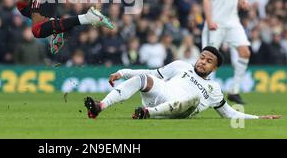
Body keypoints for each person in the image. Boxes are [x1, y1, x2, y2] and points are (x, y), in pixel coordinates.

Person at [84, 46, 281, 120]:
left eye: (208, 61)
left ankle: (147, 114)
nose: (202, 61)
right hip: (162, 95)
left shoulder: (214, 89)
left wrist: (258, 118)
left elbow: (228, 113)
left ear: (214, 68)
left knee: (193, 98)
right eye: (202, 57)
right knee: (144, 79)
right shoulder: (180, 65)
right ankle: (100, 106)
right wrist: (122, 72)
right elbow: (153, 73)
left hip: (181, 108)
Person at [201, 0, 251, 104]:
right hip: (215, 22)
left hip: (233, 22)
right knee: (209, 58)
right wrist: (209, 21)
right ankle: (203, 91)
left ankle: (234, 91)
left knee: (245, 52)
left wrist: (243, 1)